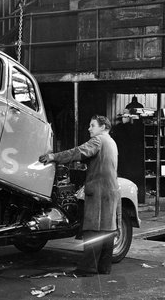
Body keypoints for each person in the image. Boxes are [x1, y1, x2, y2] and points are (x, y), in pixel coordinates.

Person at [39, 115, 120, 276]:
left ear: (103, 127)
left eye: (92, 125)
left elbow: (78, 151)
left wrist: (53, 157)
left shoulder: (98, 140)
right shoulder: (111, 142)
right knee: (107, 229)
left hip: (97, 192)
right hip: (110, 191)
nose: (89, 128)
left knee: (92, 229)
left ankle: (87, 268)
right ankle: (104, 267)